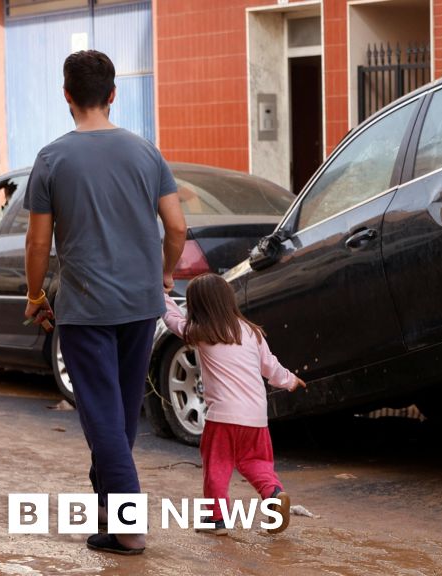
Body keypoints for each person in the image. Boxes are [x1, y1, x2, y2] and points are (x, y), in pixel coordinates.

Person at [23, 50, 187, 555]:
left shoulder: (52, 159)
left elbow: (37, 242)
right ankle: (112, 518)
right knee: (114, 417)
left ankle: (130, 527)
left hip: (86, 306)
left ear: (67, 96)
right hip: (141, 305)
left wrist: (34, 294)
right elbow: (178, 227)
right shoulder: (146, 153)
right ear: (113, 94)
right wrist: (162, 275)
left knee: (101, 417)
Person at [161, 273, 306, 536]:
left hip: (223, 417)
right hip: (256, 417)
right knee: (256, 462)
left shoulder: (201, 332)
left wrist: (161, 295)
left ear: (197, 307)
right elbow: (270, 367)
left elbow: (172, 320)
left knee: (217, 466)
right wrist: (290, 380)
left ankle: (216, 520)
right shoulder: (252, 332)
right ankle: (274, 494)